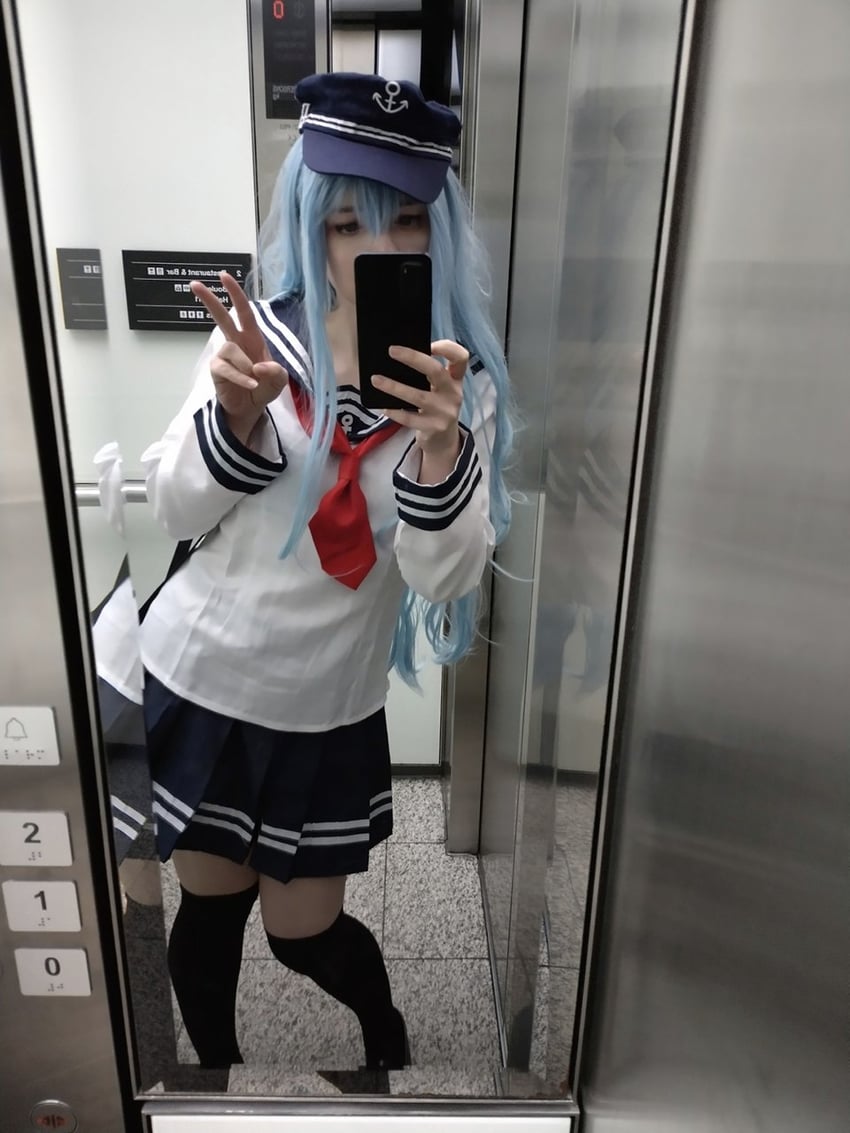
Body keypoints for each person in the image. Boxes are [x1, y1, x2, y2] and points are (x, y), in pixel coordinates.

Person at [138, 71, 514, 1072]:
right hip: (203, 677)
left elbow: (442, 580)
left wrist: (439, 447)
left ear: (438, 228)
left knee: (303, 933)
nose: (377, 249)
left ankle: (385, 1039)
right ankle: (215, 1078)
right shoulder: (253, 343)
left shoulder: (454, 383)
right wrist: (236, 417)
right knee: (209, 910)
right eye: (348, 223)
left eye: (405, 222)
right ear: (311, 221)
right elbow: (173, 509)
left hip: (322, 705)